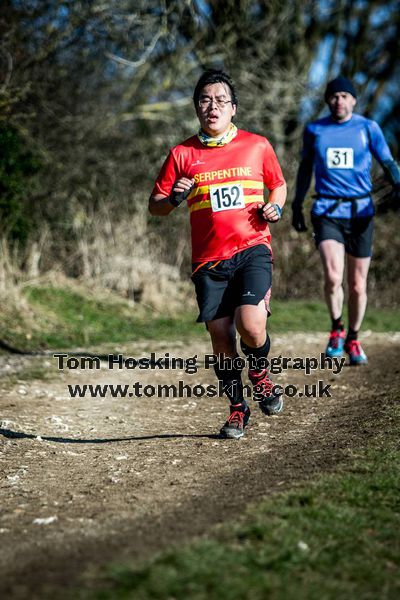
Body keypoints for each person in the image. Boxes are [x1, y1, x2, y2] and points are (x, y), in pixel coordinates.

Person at [149, 69, 287, 439]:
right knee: (220, 335)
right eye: (205, 100)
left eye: (221, 100)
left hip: (252, 248)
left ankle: (259, 374)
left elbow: (278, 184)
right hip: (209, 262)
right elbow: (156, 206)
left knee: (251, 325)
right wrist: (176, 196)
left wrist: (275, 207)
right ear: (197, 108)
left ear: (234, 108)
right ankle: (237, 409)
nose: (213, 107)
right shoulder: (182, 153)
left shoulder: (257, 145)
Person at [292, 76, 400, 365]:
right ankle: (336, 328)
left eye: (344, 96)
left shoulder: (368, 128)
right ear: (328, 101)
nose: (339, 101)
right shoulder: (315, 129)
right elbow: (304, 169)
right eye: (334, 96)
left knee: (357, 285)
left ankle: (353, 337)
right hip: (327, 211)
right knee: (333, 276)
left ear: (353, 100)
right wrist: (296, 205)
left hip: (361, 213)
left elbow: (388, 162)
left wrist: (398, 182)